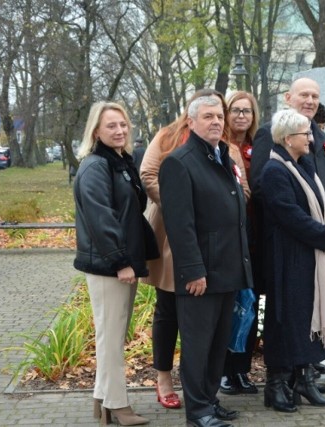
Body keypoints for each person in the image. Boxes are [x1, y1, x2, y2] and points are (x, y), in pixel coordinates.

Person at [140, 89, 248, 411]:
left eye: (219, 116)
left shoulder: (224, 155)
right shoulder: (178, 161)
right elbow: (181, 225)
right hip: (200, 264)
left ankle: (209, 401)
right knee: (198, 342)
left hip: (226, 263)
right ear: (191, 120)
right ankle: (198, 408)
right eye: (208, 116)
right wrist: (194, 269)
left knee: (217, 343)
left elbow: (237, 194)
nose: (216, 122)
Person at [250, 77, 325, 376]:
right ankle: (286, 373)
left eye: (315, 96)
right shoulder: (272, 134)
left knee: (313, 302)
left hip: (320, 235)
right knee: (288, 309)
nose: (310, 100)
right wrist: (310, 225)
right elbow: (261, 186)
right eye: (304, 95)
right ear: (288, 97)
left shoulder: (321, 136)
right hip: (290, 240)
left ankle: (307, 361)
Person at [73, 101, 158, 426]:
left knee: (112, 335)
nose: (120, 131)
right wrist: (121, 262)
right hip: (110, 267)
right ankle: (117, 406)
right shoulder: (96, 166)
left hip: (121, 263)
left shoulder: (118, 161)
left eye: (122, 124)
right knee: (110, 337)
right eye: (111, 126)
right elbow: (101, 219)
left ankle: (102, 399)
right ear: (96, 131)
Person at [260, 108, 325, 412]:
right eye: (304, 134)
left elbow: (324, 204)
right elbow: (290, 216)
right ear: (287, 138)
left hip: (310, 256)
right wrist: (324, 236)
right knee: (287, 320)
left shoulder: (304, 164)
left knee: (305, 316)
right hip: (288, 258)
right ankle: (276, 385)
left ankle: (304, 380)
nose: (311, 138)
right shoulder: (274, 171)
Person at [220, 90, 260, 396]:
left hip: (254, 237)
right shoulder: (220, 147)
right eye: (235, 110)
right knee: (228, 306)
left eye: (247, 111)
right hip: (227, 238)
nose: (241, 116)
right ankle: (223, 370)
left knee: (250, 306)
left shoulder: (258, 147)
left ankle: (242, 370)